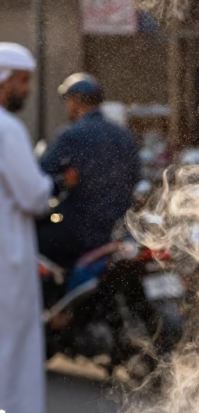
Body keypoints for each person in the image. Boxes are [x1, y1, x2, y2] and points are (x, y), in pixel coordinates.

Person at [0, 43, 54, 413]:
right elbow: (34, 195)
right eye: (21, 81)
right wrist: (54, 183)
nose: (26, 90)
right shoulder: (7, 129)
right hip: (8, 259)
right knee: (13, 353)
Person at [38, 73, 141, 269]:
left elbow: (41, 176)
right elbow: (136, 177)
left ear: (75, 102)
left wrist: (63, 182)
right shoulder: (124, 135)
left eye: (68, 101)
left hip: (78, 229)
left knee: (38, 241)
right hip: (119, 226)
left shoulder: (71, 135)